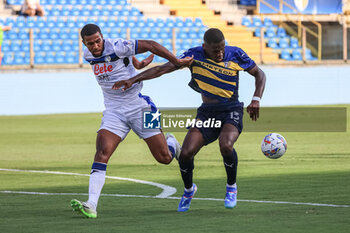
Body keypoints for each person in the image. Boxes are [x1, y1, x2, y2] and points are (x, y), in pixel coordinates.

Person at [113, 28, 266, 212]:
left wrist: (256, 98)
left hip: (231, 109)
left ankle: (231, 187)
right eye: (215, 50)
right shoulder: (194, 55)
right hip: (207, 113)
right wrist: (133, 80)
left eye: (222, 48)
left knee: (226, 145)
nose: (219, 53)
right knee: (185, 153)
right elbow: (163, 69)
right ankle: (188, 190)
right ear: (204, 47)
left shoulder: (235, 54)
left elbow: (259, 74)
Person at [70, 24, 193, 218]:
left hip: (141, 106)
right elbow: (128, 61)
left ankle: (171, 143)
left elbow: (151, 44)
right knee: (102, 152)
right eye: (90, 43)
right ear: (83, 43)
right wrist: (137, 65)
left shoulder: (117, 45)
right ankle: (91, 204)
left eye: (97, 41)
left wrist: (176, 61)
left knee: (165, 158)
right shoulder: (88, 55)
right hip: (113, 110)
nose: (95, 46)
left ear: (103, 37)